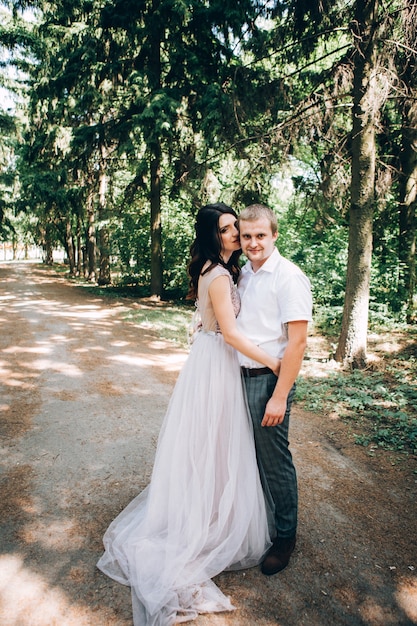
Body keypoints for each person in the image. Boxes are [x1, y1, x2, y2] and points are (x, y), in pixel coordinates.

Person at [97, 203, 281, 626]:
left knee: (214, 442)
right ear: (212, 236)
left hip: (210, 357)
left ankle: (213, 509)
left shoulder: (222, 271)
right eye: (226, 229)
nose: (235, 233)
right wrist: (273, 361)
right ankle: (207, 521)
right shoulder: (218, 274)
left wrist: (201, 324)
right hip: (217, 362)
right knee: (216, 440)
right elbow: (231, 333)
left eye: (236, 226)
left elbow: (211, 318)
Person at [236, 203, 313, 576]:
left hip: (268, 382)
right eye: (246, 236)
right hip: (237, 376)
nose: (253, 243)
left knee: (274, 461)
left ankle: (285, 537)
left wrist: (279, 396)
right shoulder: (245, 275)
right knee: (243, 456)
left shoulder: (288, 277)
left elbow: (297, 344)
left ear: (275, 234)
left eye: (260, 235)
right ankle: (255, 523)